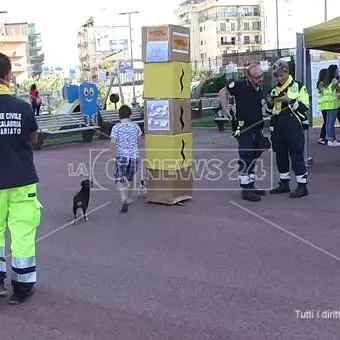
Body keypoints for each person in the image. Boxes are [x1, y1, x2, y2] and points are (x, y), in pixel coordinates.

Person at [0, 53, 42, 304]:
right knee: (23, 234)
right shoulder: (22, 107)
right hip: (22, 181)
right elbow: (34, 138)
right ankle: (22, 288)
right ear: (7, 76)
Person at [219, 63, 270, 202]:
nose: (260, 79)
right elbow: (223, 91)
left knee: (254, 156)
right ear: (249, 77)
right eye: (257, 77)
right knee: (246, 156)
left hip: (257, 127)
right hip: (244, 127)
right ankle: (245, 189)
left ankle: (251, 185)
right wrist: (224, 109)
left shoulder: (259, 88)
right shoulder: (239, 86)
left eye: (261, 76)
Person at [266, 59, 309, 198]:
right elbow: (269, 111)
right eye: (277, 76)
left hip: (293, 125)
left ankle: (302, 186)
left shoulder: (298, 86)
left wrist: (290, 100)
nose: (279, 78)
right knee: (280, 155)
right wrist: (269, 104)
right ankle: (284, 183)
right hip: (278, 126)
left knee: (296, 155)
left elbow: (305, 106)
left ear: (287, 72)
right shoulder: (274, 90)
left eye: (281, 75)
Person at [110, 105, 142, 212]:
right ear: (130, 115)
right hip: (134, 156)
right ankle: (128, 198)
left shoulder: (116, 127)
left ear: (119, 116)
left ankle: (123, 196)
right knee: (130, 178)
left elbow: (113, 142)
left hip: (121, 156)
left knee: (119, 178)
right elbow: (138, 139)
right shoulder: (136, 127)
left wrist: (113, 155)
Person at [322, 64, 340, 147]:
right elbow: (338, 93)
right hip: (334, 103)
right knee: (331, 122)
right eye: (337, 70)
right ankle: (332, 140)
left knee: (328, 122)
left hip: (327, 104)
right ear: (334, 71)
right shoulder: (335, 81)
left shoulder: (326, 81)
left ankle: (329, 139)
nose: (338, 71)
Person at [316, 68, 328, 145]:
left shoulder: (323, 83)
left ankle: (323, 137)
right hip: (324, 106)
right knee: (326, 121)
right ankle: (321, 137)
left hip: (326, 105)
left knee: (327, 121)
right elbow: (322, 93)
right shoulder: (321, 83)